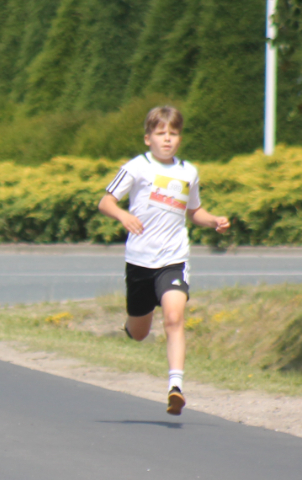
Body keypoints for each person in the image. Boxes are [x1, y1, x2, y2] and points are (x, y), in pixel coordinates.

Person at [97, 106, 231, 416]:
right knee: (140, 331)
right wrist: (123, 215)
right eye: (160, 134)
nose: (167, 139)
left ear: (179, 138)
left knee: (174, 318)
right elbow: (106, 201)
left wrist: (213, 221)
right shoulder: (136, 168)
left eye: (172, 134)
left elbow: (194, 211)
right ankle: (131, 327)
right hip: (140, 261)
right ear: (148, 138)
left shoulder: (188, 172)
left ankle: (176, 387)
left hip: (174, 258)